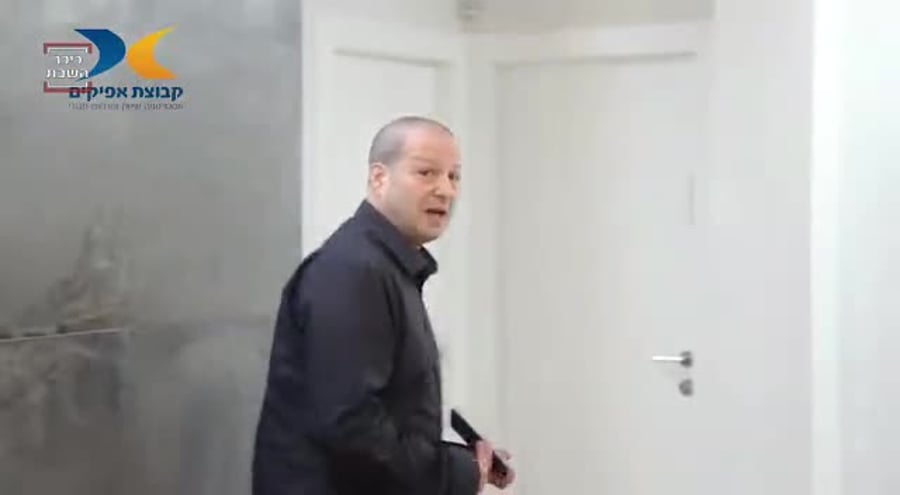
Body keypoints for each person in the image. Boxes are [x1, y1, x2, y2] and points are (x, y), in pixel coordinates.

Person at [252, 115, 515, 495]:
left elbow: (396, 412)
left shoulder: (386, 269)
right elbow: (351, 424)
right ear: (379, 178)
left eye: (454, 176)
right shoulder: (352, 271)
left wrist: (466, 461)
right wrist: (454, 474)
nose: (445, 190)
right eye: (426, 173)